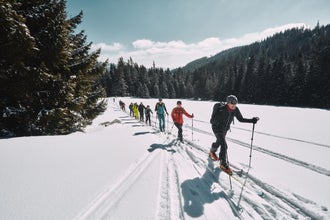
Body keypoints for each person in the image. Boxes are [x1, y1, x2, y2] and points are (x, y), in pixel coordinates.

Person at [209, 95, 259, 175]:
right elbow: (212, 121)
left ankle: (212, 151)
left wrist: (252, 120)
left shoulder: (235, 110)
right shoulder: (221, 109)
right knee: (224, 145)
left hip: (225, 129)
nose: (234, 105)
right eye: (232, 103)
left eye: (235, 103)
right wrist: (218, 117)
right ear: (228, 103)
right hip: (217, 128)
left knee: (219, 141)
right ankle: (223, 163)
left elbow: (241, 119)